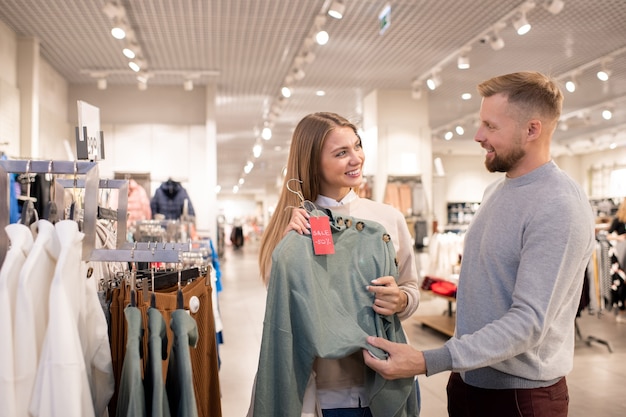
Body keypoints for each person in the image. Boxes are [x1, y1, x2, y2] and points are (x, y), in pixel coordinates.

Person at [362, 71, 596, 417]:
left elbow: (529, 322)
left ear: (532, 130)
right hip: (469, 384)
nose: (478, 136)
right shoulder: (495, 192)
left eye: (491, 126)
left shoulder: (559, 204)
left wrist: (430, 359)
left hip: (520, 398)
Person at [255, 112, 421, 416]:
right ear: (312, 161)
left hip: (383, 376)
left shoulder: (387, 219)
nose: (356, 158)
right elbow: (279, 298)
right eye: (341, 153)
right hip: (321, 391)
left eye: (357, 147)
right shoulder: (293, 226)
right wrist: (291, 243)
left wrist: (400, 300)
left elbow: (411, 286)